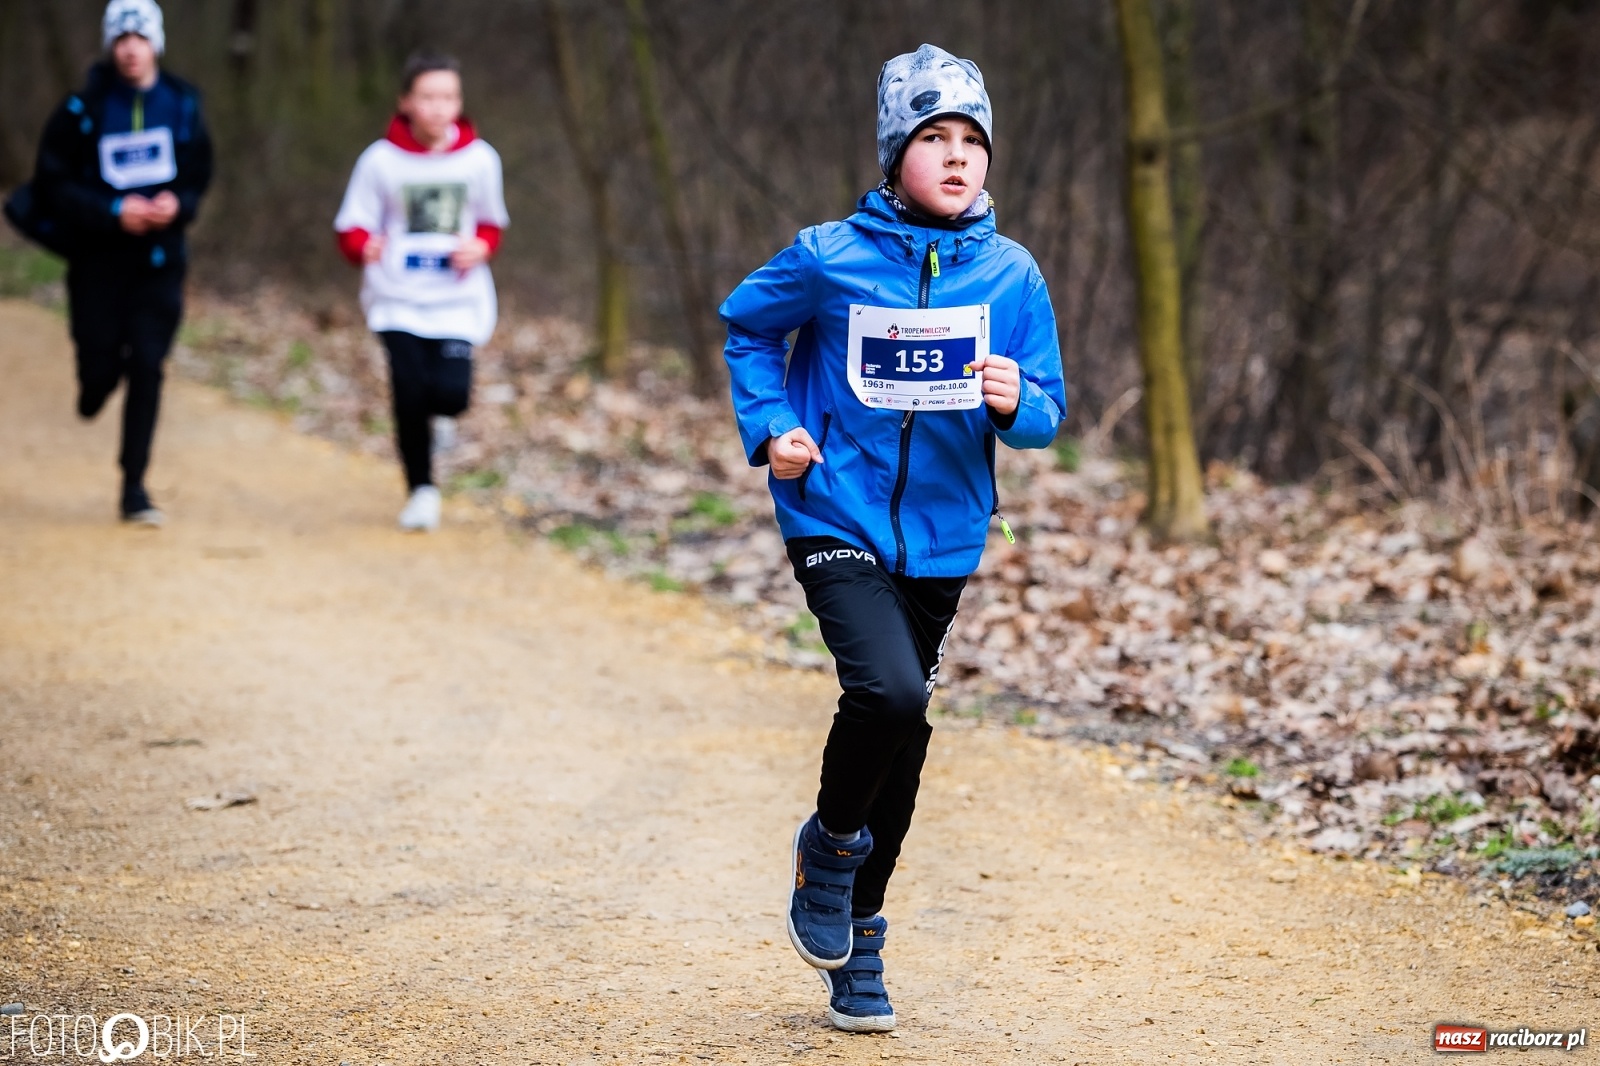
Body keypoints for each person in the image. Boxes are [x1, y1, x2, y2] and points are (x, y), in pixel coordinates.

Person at [719, 44, 1067, 1033]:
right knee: (890, 690)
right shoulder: (831, 256)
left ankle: (860, 937)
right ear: (893, 154)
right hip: (833, 507)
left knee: (903, 738)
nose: (956, 158)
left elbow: (1047, 406)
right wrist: (771, 427)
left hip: (946, 537)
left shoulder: (1010, 274)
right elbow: (747, 326)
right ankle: (829, 851)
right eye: (932, 137)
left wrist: (1017, 403)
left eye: (971, 140)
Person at [28, 0, 212, 525]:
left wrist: (179, 205)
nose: (131, 48)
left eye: (140, 37)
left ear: (156, 42)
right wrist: (112, 211)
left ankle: (134, 485)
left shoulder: (182, 104)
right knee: (102, 362)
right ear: (111, 45)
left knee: (149, 366)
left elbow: (199, 174)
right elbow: (52, 183)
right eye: (121, 38)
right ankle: (94, 384)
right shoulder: (81, 110)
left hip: (160, 262)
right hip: (98, 262)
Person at [333, 52, 508, 532]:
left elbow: (492, 224)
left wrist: (480, 247)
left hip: (456, 301)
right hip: (398, 299)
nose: (438, 107)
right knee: (408, 391)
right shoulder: (380, 161)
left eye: (448, 97)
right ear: (406, 102)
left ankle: (443, 422)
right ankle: (421, 490)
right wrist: (363, 246)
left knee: (450, 395)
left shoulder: (480, 160)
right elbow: (351, 227)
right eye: (428, 97)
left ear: (459, 102)